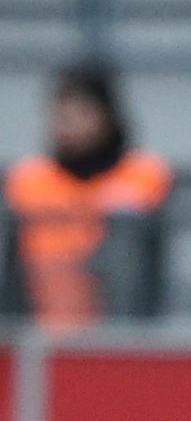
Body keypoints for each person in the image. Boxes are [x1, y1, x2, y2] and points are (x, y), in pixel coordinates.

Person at [2, 65, 171, 332]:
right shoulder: (27, 179)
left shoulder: (143, 174)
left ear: (108, 116)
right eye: (61, 114)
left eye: (81, 112)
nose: (69, 124)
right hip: (39, 325)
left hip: (116, 327)